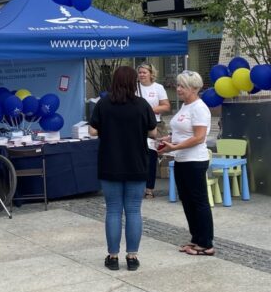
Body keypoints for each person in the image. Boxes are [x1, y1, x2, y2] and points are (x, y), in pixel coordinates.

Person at [89, 66, 157, 271]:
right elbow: (153, 133)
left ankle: (112, 256)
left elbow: (92, 131)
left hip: (110, 163)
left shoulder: (103, 104)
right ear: (133, 82)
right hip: (136, 163)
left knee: (113, 210)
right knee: (134, 210)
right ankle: (132, 257)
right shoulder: (142, 104)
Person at [159, 70, 215, 256]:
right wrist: (168, 139)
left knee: (198, 201)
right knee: (187, 201)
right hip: (181, 159)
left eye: (182, 86)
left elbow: (199, 138)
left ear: (194, 88)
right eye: (178, 85)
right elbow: (182, 133)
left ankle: (206, 242)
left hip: (195, 160)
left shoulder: (199, 108)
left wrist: (174, 147)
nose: (178, 89)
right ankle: (196, 238)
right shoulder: (184, 107)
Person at [136, 63, 171, 199]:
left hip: (153, 125)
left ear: (151, 74)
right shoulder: (134, 88)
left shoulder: (158, 88)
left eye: (144, 72)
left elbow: (166, 106)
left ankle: (149, 188)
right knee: (138, 157)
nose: (142, 75)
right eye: (140, 72)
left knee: (151, 157)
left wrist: (148, 110)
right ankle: (137, 186)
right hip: (137, 126)